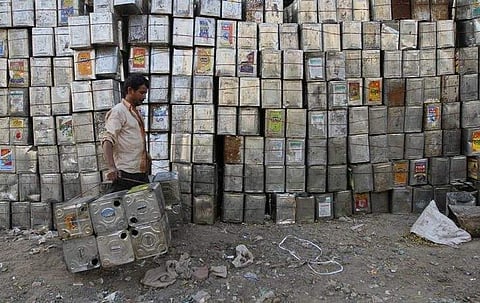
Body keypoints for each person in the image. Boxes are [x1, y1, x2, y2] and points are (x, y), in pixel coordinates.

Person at [102, 74, 150, 192]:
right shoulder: (118, 112)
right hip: (126, 174)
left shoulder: (136, 111)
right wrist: (112, 168)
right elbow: (107, 140)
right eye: (141, 93)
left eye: (145, 93)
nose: (144, 97)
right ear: (130, 90)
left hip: (140, 172)